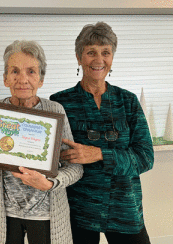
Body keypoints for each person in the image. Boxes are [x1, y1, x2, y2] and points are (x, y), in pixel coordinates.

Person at [50, 22, 154, 244]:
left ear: (112, 57)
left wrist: (99, 154)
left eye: (105, 52)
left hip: (124, 209)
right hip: (77, 212)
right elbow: (48, 156)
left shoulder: (128, 101)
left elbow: (145, 158)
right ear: (79, 57)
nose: (99, 60)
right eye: (90, 52)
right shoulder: (59, 103)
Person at [0, 40, 83, 244]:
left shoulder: (55, 111)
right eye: (15, 71)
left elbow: (76, 168)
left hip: (48, 215)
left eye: (31, 71)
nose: (22, 79)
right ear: (5, 78)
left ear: (41, 80)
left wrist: (50, 183)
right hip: (4, 216)